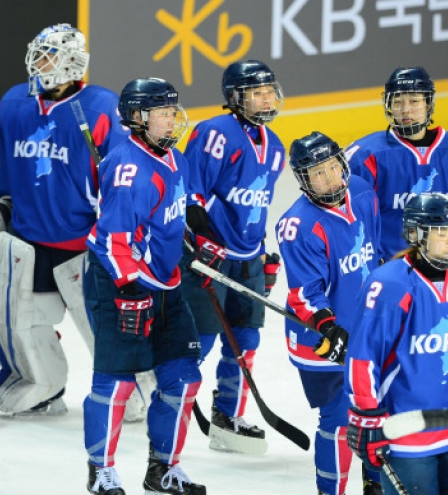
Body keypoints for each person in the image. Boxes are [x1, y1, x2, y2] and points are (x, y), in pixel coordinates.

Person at [0, 23, 131, 417]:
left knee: (105, 333)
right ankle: (45, 386)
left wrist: (117, 238)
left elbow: (119, 181)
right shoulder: (14, 102)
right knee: (27, 326)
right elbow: (7, 168)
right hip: (30, 243)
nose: (40, 63)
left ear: (72, 64)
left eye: (50, 56)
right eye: (40, 53)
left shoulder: (100, 108)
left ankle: (135, 390)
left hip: (86, 248)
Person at [83, 77, 205, 495]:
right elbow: (113, 239)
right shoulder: (126, 168)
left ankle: (162, 468)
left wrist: (196, 247)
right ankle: (100, 470)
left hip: (164, 282)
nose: (172, 120)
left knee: (184, 377)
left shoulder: (176, 158)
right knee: (117, 381)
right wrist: (130, 290)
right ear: (137, 119)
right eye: (162, 114)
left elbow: (172, 216)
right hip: (120, 280)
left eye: (173, 111)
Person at [180, 59, 285, 454]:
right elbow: (190, 193)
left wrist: (260, 256)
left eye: (268, 91)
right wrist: (204, 240)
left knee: (245, 340)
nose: (265, 99)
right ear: (235, 98)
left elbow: (256, 206)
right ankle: (170, 403)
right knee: (202, 340)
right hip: (210, 256)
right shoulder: (214, 133)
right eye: (256, 93)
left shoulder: (275, 146)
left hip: (248, 261)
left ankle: (227, 414)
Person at [276, 132, 381, 495]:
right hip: (319, 339)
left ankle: (375, 482)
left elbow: (376, 254)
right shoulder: (298, 225)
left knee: (376, 408)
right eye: (316, 174)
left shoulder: (365, 193)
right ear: (303, 181)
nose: (328, 179)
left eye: (332, 168)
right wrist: (330, 328)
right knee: (338, 419)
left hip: (366, 330)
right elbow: (305, 295)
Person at [345, 192, 448, 495]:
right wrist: (365, 415)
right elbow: (363, 358)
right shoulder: (391, 284)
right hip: (408, 433)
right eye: (441, 232)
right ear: (416, 234)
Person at [346, 66, 448, 263]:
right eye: (398, 102)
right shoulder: (367, 155)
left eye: (414, 101)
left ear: (428, 104)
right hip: (390, 271)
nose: (406, 109)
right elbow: (349, 219)